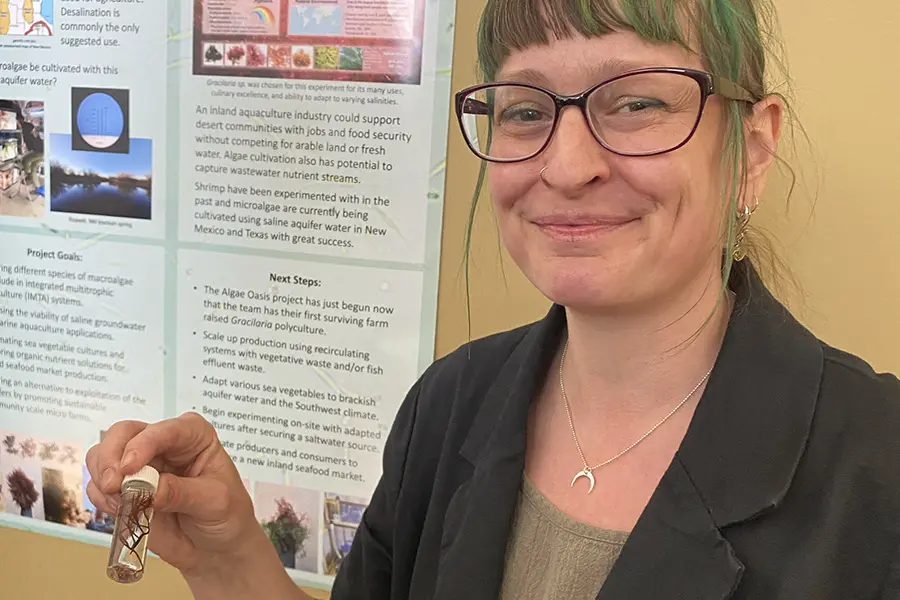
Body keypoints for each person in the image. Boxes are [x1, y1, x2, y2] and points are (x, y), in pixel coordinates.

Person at [85, 0, 900, 598]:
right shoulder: (450, 404)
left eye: (638, 102)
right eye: (525, 110)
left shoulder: (879, 469)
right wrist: (231, 555)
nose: (567, 166)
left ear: (752, 149)